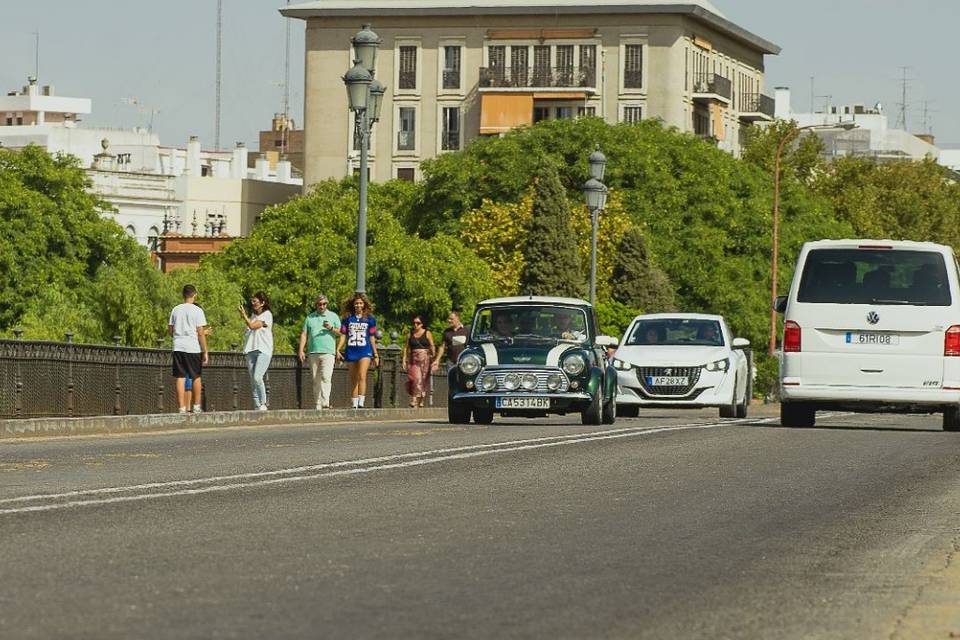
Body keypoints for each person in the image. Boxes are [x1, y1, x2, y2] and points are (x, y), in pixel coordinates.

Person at [168, 284, 209, 414]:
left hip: (178, 346)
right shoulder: (197, 311)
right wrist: (205, 351)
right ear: (194, 294)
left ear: (183, 295)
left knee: (180, 376)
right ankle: (196, 406)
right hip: (193, 347)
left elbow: (170, 331)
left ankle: (182, 407)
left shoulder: (175, 309)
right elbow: (201, 332)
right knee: (196, 376)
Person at [336, 293, 380, 409]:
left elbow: (371, 336)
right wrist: (338, 349)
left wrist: (375, 354)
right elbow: (343, 335)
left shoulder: (370, 319)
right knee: (353, 378)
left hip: (365, 350)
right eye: (356, 303)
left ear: (364, 304)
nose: (358, 305)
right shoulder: (347, 319)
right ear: (353, 304)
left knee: (362, 375)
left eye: (360, 303)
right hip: (351, 350)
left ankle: (361, 402)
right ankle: (354, 403)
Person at [298, 294, 341, 410]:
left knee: (326, 377)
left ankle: (325, 402)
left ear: (327, 304)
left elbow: (341, 333)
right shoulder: (310, 318)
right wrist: (301, 350)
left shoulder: (333, 316)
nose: (322, 306)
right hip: (313, 351)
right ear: (316, 305)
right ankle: (317, 404)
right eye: (319, 304)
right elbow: (304, 334)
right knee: (315, 378)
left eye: (324, 304)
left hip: (328, 352)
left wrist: (331, 328)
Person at [240, 291, 273, 411]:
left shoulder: (267, 315)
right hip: (250, 349)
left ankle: (263, 403)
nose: (253, 303)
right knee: (252, 380)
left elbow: (253, 326)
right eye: (252, 301)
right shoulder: (253, 316)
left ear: (262, 303)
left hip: (263, 350)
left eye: (255, 301)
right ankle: (257, 405)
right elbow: (249, 329)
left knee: (257, 377)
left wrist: (244, 315)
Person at [402, 316, 435, 408]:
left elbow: (432, 345)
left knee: (423, 379)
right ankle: (413, 399)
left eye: (418, 323)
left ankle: (421, 400)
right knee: (415, 379)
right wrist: (404, 359)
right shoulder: (410, 334)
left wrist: (434, 357)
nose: (415, 325)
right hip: (414, 359)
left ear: (422, 324)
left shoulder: (427, 333)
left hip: (425, 359)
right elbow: (405, 347)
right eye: (414, 323)